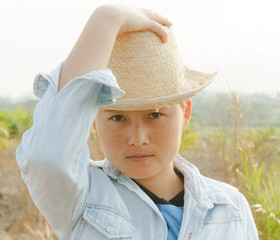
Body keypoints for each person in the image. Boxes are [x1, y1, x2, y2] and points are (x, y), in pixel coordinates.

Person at [16, 4, 258, 240]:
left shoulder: (230, 209)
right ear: (92, 122)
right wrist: (107, 18)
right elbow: (46, 156)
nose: (137, 138)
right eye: (118, 117)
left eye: (155, 115)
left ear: (185, 113)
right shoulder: (82, 197)